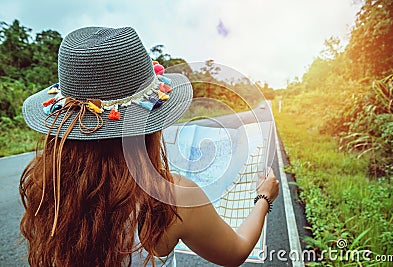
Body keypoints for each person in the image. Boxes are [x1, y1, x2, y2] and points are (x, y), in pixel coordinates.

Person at [20, 26, 279, 267]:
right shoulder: (171, 198)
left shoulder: (44, 186)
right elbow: (235, 252)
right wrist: (263, 197)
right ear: (150, 122)